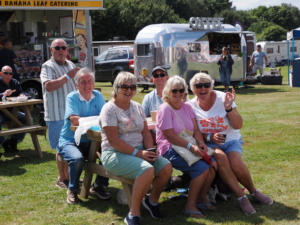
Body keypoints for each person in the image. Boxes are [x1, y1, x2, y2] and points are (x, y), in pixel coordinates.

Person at [189, 72, 273, 214]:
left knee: (235, 162)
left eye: (206, 85)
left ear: (211, 86)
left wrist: (228, 108)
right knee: (221, 157)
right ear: (192, 88)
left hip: (231, 139)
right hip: (210, 143)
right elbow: (193, 131)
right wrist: (210, 137)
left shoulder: (223, 98)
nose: (203, 88)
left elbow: (238, 125)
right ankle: (241, 197)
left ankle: (253, 191)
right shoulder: (190, 106)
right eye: (198, 85)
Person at [99, 72, 172, 225]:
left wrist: (150, 149)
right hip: (114, 154)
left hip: (140, 151)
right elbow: (113, 140)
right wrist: (138, 153)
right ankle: (133, 213)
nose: (129, 90)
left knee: (166, 167)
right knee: (146, 170)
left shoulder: (137, 107)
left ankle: (151, 202)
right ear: (116, 88)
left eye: (132, 87)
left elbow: (145, 132)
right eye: (124, 87)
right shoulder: (109, 109)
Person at [156, 75, 217, 219]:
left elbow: (195, 130)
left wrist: (200, 142)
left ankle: (201, 197)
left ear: (185, 91)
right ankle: (190, 206)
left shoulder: (187, 107)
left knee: (213, 165)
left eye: (181, 90)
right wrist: (191, 147)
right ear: (168, 92)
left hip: (188, 145)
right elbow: (170, 136)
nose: (178, 93)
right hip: (169, 148)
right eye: (174, 90)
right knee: (201, 169)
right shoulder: (165, 108)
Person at [56, 67, 110, 204]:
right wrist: (95, 119)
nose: (87, 85)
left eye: (89, 81)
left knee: (111, 151)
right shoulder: (72, 97)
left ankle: (98, 186)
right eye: (82, 82)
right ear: (76, 84)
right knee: (77, 158)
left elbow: (106, 117)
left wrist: (89, 120)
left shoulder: (97, 95)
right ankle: (72, 190)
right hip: (70, 140)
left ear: (93, 82)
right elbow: (74, 120)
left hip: (93, 140)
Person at [40, 39, 80, 189]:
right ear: (51, 50)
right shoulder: (47, 66)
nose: (61, 50)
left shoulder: (70, 64)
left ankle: (69, 176)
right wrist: (68, 75)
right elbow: (49, 86)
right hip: (56, 114)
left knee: (70, 146)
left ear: (68, 50)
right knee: (60, 148)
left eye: (64, 48)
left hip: (71, 114)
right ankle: (61, 178)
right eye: (57, 48)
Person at [0, 66, 27, 153]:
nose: (8, 75)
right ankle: (4, 143)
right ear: (1, 73)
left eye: (10, 73)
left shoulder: (15, 82)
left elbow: (21, 91)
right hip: (0, 113)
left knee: (28, 119)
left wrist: (22, 95)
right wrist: (3, 94)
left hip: (12, 112)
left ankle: (14, 140)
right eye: (5, 73)